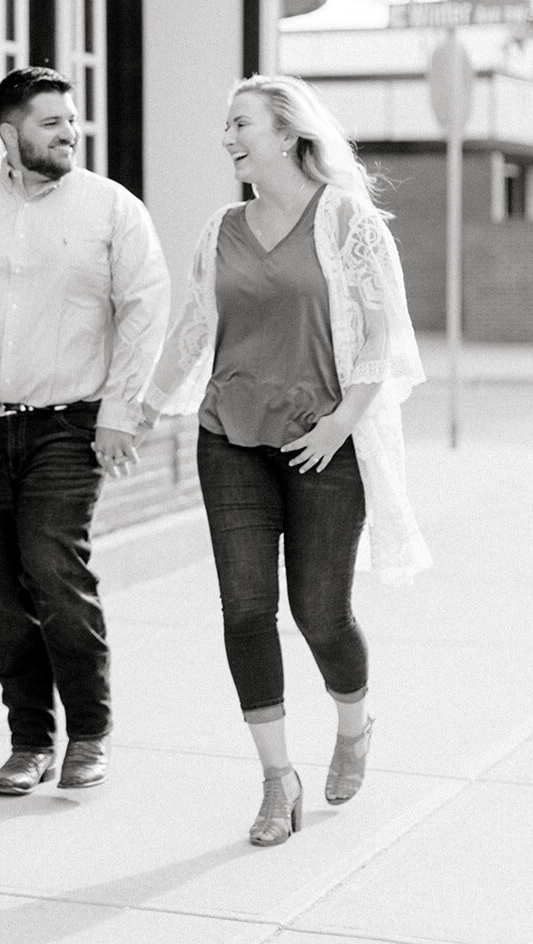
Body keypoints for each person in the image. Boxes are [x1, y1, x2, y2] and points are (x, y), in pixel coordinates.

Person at [143, 73, 430, 847]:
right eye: (226, 125)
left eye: (240, 123)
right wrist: (145, 406)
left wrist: (341, 422)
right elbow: (193, 327)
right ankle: (277, 781)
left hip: (320, 447)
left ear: (287, 131)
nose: (228, 137)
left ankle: (353, 724)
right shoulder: (220, 228)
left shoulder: (347, 222)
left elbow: (383, 333)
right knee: (244, 611)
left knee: (319, 613)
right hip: (228, 438)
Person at [0, 66, 170, 796]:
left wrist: (119, 411)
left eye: (71, 120)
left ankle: (88, 733)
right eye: (52, 123)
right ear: (10, 133)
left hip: (67, 428)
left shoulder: (111, 209)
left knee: (53, 572)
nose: (69, 133)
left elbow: (145, 309)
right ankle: (28, 741)